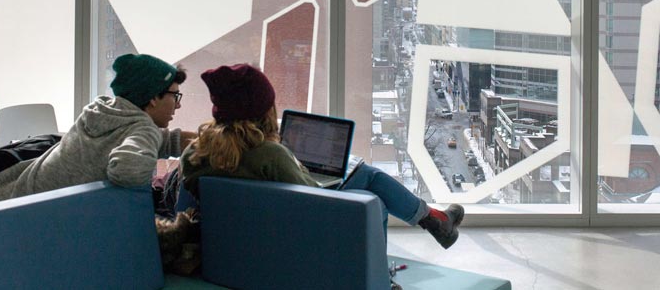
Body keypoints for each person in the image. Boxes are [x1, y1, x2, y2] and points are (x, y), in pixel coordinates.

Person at [0, 53, 194, 250]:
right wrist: (154, 148)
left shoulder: (103, 111)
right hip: (15, 217)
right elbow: (126, 169)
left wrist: (181, 140)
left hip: (1, 187)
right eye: (174, 97)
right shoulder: (141, 131)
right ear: (152, 98)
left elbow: (135, 139)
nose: (177, 106)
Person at [180, 64, 464, 249]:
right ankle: (427, 226)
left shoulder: (194, 152)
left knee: (363, 174)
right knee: (369, 183)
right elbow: (314, 203)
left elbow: (185, 208)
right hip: (292, 241)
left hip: (233, 245)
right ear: (264, 110)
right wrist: (296, 164)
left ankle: (434, 219)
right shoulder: (270, 155)